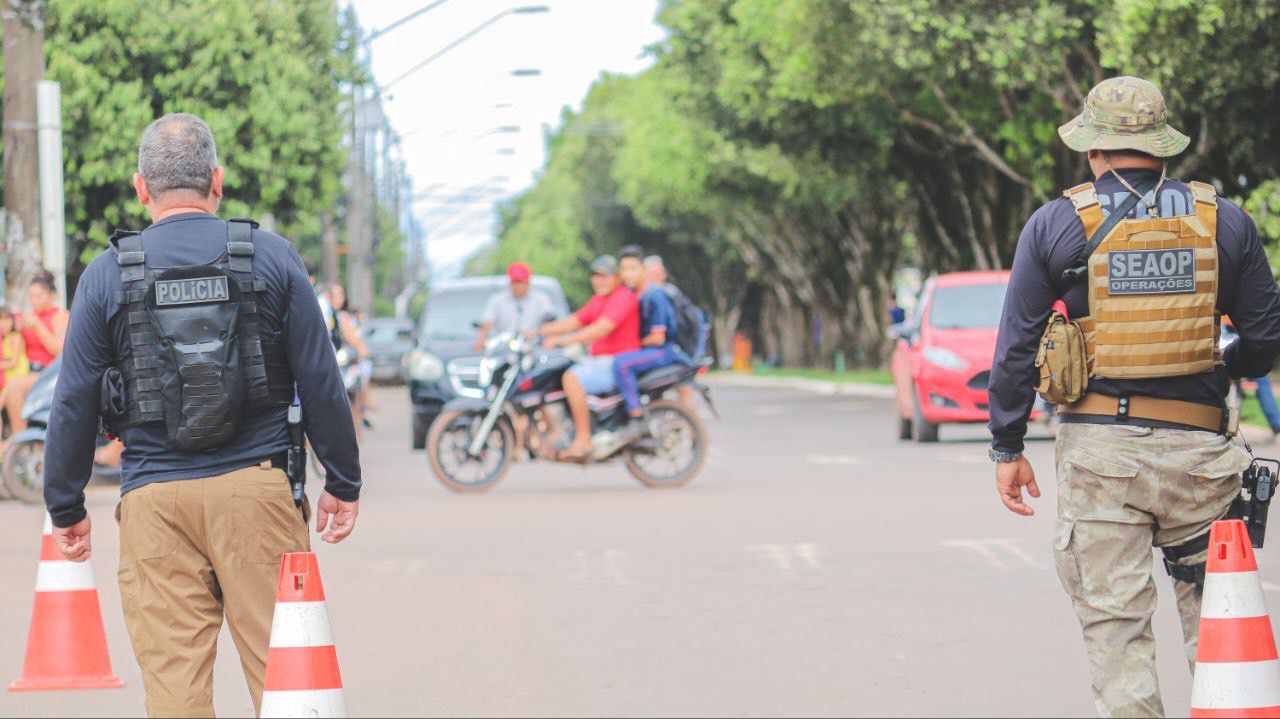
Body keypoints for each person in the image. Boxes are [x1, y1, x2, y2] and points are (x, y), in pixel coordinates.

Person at [43, 113, 362, 718]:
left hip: (153, 501)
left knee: (176, 694)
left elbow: (74, 397)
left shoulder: (107, 275)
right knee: (288, 679)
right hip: (258, 493)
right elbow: (321, 377)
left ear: (141, 188)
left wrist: (65, 504)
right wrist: (342, 480)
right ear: (217, 181)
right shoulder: (271, 258)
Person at [988, 77, 1280, 717]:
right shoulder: (1223, 220)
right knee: (1222, 628)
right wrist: (1219, 362)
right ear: (1161, 147)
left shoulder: (1056, 224)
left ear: (1093, 149)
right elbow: (1264, 340)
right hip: (1202, 459)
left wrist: (1007, 445)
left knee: (1116, 631)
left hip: (1099, 461)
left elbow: (1016, 346)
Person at [536, 254, 640, 460]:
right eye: (596, 276)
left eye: (604, 276)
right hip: (600, 360)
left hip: (616, 361)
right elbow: (575, 320)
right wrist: (538, 331)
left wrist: (562, 341)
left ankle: (583, 440)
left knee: (571, 378)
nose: (599, 281)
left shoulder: (622, 297)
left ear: (616, 277)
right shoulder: (600, 299)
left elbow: (601, 329)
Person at [613, 246, 689, 434]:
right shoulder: (632, 295)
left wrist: (634, 344)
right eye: (624, 269)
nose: (628, 274)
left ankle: (635, 416)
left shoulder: (655, 296)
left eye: (632, 269)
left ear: (643, 270)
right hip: (651, 350)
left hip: (664, 351)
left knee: (622, 364)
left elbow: (657, 337)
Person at [5, 272, 69, 437]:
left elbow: (61, 351)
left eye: (39, 296)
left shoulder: (59, 316)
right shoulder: (29, 317)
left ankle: (17, 437)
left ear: (52, 295)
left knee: (14, 384)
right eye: (31, 297)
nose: (34, 301)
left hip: (48, 374)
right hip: (26, 370)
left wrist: (38, 326)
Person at [643, 254, 697, 409]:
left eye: (659, 272)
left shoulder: (661, 295)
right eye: (655, 273)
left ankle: (689, 421)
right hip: (672, 349)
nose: (659, 276)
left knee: (683, 389)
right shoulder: (655, 293)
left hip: (671, 348)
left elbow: (660, 335)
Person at [474, 261, 555, 351]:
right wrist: (481, 341)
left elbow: (549, 323)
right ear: (510, 282)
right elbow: (487, 323)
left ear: (528, 282)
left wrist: (546, 339)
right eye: (515, 282)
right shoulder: (497, 300)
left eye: (521, 282)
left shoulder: (541, 299)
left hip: (535, 347)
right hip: (504, 348)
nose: (517, 286)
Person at [329, 284, 370, 438]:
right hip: (337, 364)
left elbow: (351, 337)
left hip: (347, 363)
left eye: (340, 295)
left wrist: (361, 349)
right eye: (334, 295)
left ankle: (355, 432)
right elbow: (350, 337)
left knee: (354, 397)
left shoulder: (342, 316)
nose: (338, 299)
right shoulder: (329, 314)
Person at [0, 307, 29, 421]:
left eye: (7, 319)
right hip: (7, 378)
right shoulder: (4, 339)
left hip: (16, 376)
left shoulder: (15, 336)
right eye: (1, 320)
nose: (4, 324)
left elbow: (13, 362)